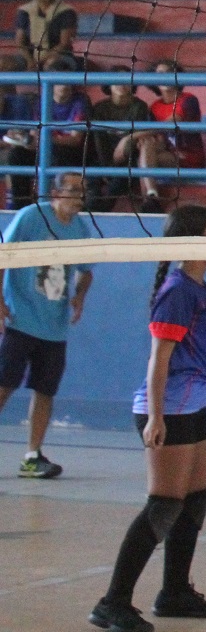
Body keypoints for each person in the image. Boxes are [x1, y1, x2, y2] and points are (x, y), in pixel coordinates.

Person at [91, 206, 206, 632]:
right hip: (168, 408)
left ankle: (174, 591)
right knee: (164, 505)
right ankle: (112, 602)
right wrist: (155, 417)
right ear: (193, 238)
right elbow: (159, 359)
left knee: (195, 499)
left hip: (191, 406)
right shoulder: (177, 291)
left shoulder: (197, 288)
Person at [0, 172, 94, 479]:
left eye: (83, 191)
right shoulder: (31, 217)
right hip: (20, 319)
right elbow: (3, 255)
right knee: (4, 385)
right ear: (56, 193)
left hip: (54, 327)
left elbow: (86, 271)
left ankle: (32, 456)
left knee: (45, 391)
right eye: (74, 190)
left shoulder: (80, 229)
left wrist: (79, 296)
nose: (80, 196)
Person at [4, 65, 89, 209]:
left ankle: (52, 206)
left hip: (68, 150)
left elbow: (76, 140)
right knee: (16, 155)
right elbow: (35, 134)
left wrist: (45, 141)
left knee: (55, 156)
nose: (64, 85)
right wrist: (23, 139)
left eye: (68, 81)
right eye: (59, 81)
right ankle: (20, 206)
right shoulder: (41, 102)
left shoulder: (80, 102)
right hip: (46, 146)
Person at [143, 61, 204, 214]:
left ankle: (149, 197)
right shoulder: (155, 107)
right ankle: (151, 196)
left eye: (169, 72)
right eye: (160, 74)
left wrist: (130, 137)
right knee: (146, 144)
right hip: (168, 155)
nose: (165, 77)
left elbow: (172, 122)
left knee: (145, 141)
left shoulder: (189, 99)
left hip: (190, 158)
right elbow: (157, 138)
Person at [90, 81, 157, 213]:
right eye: (116, 80)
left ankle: (101, 210)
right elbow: (98, 140)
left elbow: (146, 134)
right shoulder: (100, 108)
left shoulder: (140, 106)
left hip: (130, 159)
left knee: (118, 183)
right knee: (91, 182)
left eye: (126, 81)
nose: (121, 84)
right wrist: (107, 167)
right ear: (108, 85)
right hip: (103, 158)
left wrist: (127, 140)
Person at [14, 0, 77, 67]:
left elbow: (64, 43)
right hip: (28, 57)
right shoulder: (25, 11)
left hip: (59, 56)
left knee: (51, 64)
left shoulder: (66, 12)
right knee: (5, 64)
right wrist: (30, 60)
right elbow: (19, 42)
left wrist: (39, 62)